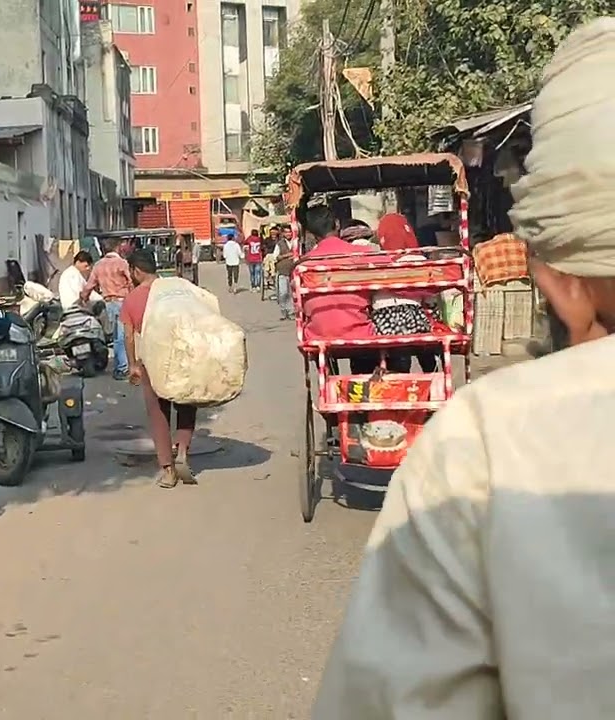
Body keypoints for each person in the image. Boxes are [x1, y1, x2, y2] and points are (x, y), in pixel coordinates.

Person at [313, 19, 615, 718]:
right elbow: (416, 303)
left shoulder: (490, 443)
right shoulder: (402, 254)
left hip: (355, 332)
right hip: (400, 324)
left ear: (561, 280)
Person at [120, 249, 198, 489]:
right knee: (186, 402)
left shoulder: (133, 298)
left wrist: (133, 364)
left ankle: (167, 470)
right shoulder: (177, 289)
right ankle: (182, 448)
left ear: (137, 271)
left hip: (152, 360)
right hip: (182, 355)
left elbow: (129, 336)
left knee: (158, 412)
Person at [300, 205, 375, 374]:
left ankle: (331, 380)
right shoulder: (364, 255)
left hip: (318, 336)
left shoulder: (302, 266)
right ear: (337, 224)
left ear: (311, 233)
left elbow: (301, 306)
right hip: (361, 333)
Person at [371, 213, 439, 373]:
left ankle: (400, 376)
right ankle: (431, 373)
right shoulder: (418, 261)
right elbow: (429, 298)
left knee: (398, 350)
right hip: (413, 318)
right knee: (425, 340)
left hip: (383, 322)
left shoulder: (379, 262)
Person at [81, 239, 134, 380]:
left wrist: (83, 299)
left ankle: (120, 366)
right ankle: (123, 367)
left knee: (116, 337)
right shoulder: (122, 264)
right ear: (117, 248)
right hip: (123, 302)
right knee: (124, 336)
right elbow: (131, 281)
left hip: (109, 303)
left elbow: (89, 285)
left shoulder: (98, 266)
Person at [273, 229, 297, 320]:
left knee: (292, 293)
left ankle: (291, 312)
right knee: (283, 292)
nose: (288, 234)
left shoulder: (296, 243)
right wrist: (287, 255)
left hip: (294, 271)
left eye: (289, 232)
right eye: (286, 232)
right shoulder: (279, 244)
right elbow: (276, 257)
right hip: (283, 271)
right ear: (283, 233)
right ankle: (283, 311)